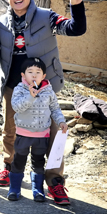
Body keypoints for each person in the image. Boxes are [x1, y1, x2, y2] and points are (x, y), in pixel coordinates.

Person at [0, 0, 86, 205]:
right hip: (13, 88)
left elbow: (75, 29)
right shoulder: (1, 22)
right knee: (11, 130)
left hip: (45, 87)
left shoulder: (46, 17)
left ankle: (55, 182)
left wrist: (76, 6)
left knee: (54, 134)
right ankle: (9, 166)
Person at [7, 57, 68, 202]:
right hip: (23, 134)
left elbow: (54, 108)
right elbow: (17, 107)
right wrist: (30, 96)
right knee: (19, 161)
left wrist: (61, 121)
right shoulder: (19, 89)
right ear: (23, 75)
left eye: (38, 72)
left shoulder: (48, 91)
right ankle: (14, 189)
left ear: (44, 76)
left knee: (38, 162)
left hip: (42, 135)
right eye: (30, 72)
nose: (34, 75)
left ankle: (38, 190)